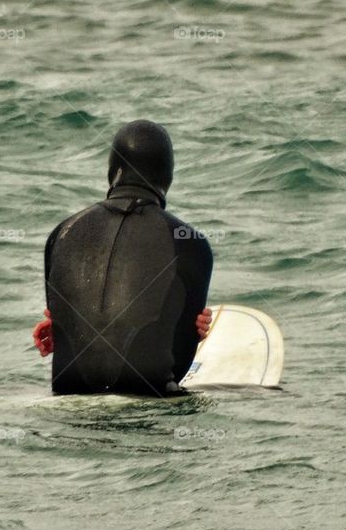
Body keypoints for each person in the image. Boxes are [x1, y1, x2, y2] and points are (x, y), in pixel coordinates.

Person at [32, 120, 214, 396]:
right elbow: (181, 359)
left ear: (113, 172)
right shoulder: (192, 243)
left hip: (68, 396)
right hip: (148, 399)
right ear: (167, 177)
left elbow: (62, 331)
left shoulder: (61, 234)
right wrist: (194, 331)